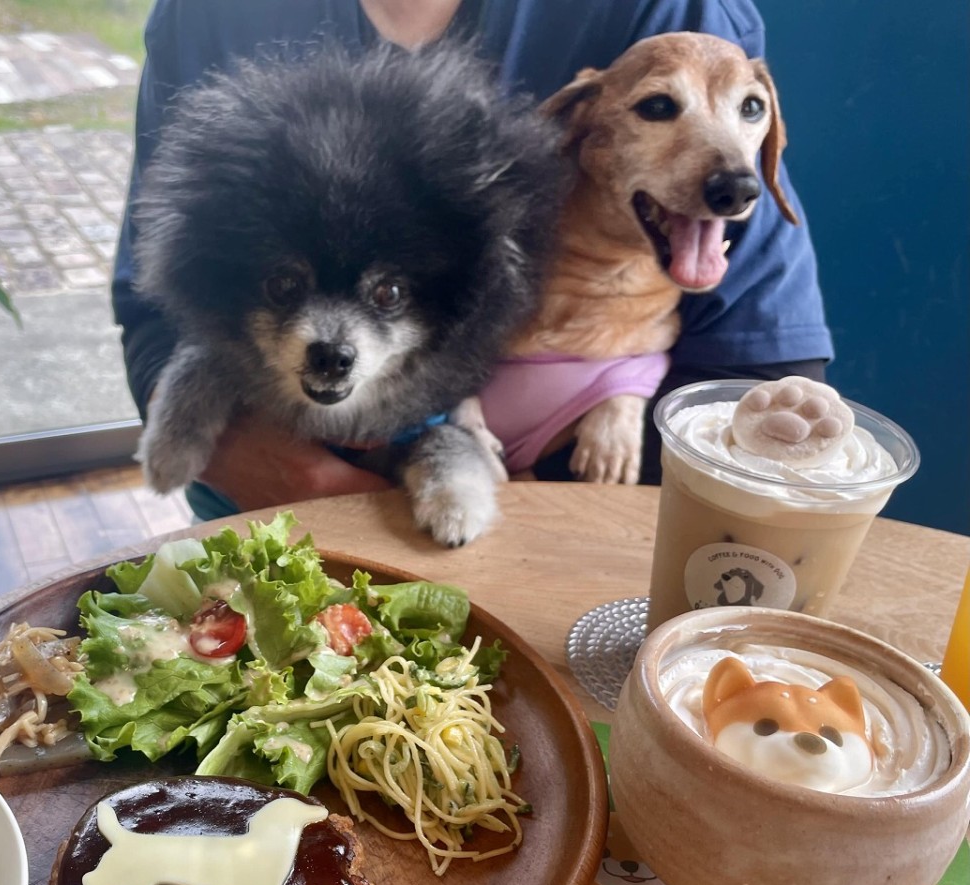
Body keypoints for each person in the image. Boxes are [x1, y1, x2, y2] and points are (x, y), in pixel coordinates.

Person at [112, 0, 833, 515]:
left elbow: (757, 368)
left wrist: (541, 526)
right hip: (263, 493)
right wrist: (273, 469)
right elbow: (158, 298)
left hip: (564, 528)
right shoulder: (206, 13)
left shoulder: (671, 13)